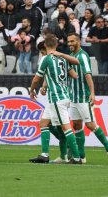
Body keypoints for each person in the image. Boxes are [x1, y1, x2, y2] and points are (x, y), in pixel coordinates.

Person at [28, 34, 82, 164]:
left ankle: (76, 158)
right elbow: (74, 75)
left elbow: (36, 78)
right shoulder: (62, 59)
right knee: (43, 123)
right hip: (62, 96)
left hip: (57, 98)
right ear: (56, 45)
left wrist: (31, 90)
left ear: (45, 45)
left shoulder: (46, 59)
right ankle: (44, 155)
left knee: (66, 128)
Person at [65, 33, 108, 164]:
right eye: (68, 42)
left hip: (83, 97)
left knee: (91, 125)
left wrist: (92, 93)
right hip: (73, 98)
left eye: (72, 41)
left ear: (78, 41)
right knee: (77, 125)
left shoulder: (82, 55)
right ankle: (82, 156)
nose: (69, 44)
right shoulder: (71, 56)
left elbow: (88, 75)